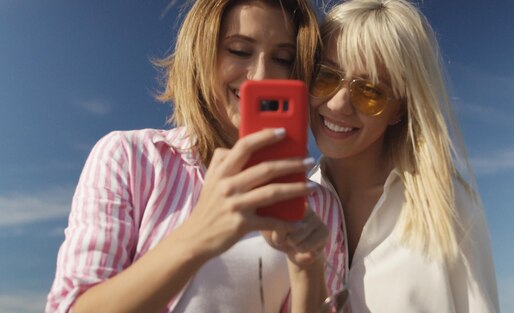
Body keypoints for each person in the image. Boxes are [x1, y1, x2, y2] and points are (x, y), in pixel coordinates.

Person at [46, 0, 344, 312]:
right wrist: (198, 236)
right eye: (240, 51)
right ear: (202, 53)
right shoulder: (131, 158)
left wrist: (308, 270)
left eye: (283, 58)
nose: (261, 76)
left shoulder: (319, 205)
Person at [308, 0, 500, 312]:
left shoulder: (450, 210)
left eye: (370, 90)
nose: (339, 104)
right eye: (325, 76)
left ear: (400, 107)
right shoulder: (287, 207)